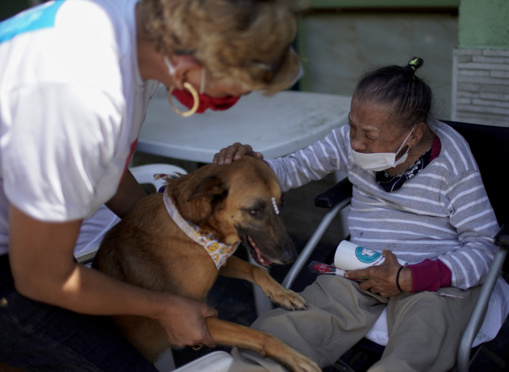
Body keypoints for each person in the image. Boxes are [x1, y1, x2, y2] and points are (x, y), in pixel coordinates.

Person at [0, 0, 301, 370]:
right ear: (198, 59)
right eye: (231, 94)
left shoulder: (138, 27)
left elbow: (98, 164)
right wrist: (167, 308)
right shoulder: (81, 97)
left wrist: (169, 226)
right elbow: (42, 276)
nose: (231, 104)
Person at [213, 58, 509, 372]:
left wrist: (410, 278)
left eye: (369, 136)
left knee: (415, 354)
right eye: (352, 126)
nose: (355, 142)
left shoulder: (452, 163)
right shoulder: (349, 141)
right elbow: (292, 168)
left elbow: (483, 248)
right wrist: (250, 166)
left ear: (413, 135)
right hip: (363, 267)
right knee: (282, 333)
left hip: (432, 279)